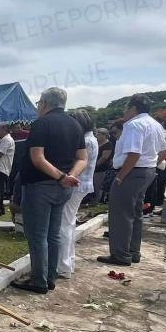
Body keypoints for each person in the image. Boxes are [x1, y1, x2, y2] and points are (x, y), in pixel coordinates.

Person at [12, 87, 86, 294]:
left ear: (44, 103)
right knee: (53, 234)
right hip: (63, 187)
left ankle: (39, 280)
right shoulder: (75, 125)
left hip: (41, 186)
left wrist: (63, 177)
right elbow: (82, 158)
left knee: (37, 235)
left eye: (38, 104)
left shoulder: (41, 124)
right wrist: (69, 176)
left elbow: (38, 158)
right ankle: (49, 277)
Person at [97, 94, 166, 266]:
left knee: (121, 214)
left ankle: (120, 254)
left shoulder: (134, 125)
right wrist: (150, 165)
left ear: (133, 109)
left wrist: (121, 176)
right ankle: (133, 251)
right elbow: (165, 152)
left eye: (125, 108)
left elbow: (134, 153)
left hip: (131, 172)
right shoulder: (155, 125)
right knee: (135, 213)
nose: (124, 112)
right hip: (147, 172)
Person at [58, 110, 98, 278]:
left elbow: (77, 163)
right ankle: (68, 261)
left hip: (76, 184)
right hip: (82, 184)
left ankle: (64, 265)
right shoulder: (91, 138)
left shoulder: (86, 141)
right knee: (69, 223)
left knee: (64, 224)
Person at [91, 128, 113, 206]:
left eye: (99, 134)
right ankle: (91, 200)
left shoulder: (108, 145)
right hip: (94, 169)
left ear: (104, 135)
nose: (97, 136)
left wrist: (95, 165)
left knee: (98, 186)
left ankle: (96, 202)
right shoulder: (96, 143)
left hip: (101, 169)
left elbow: (104, 157)